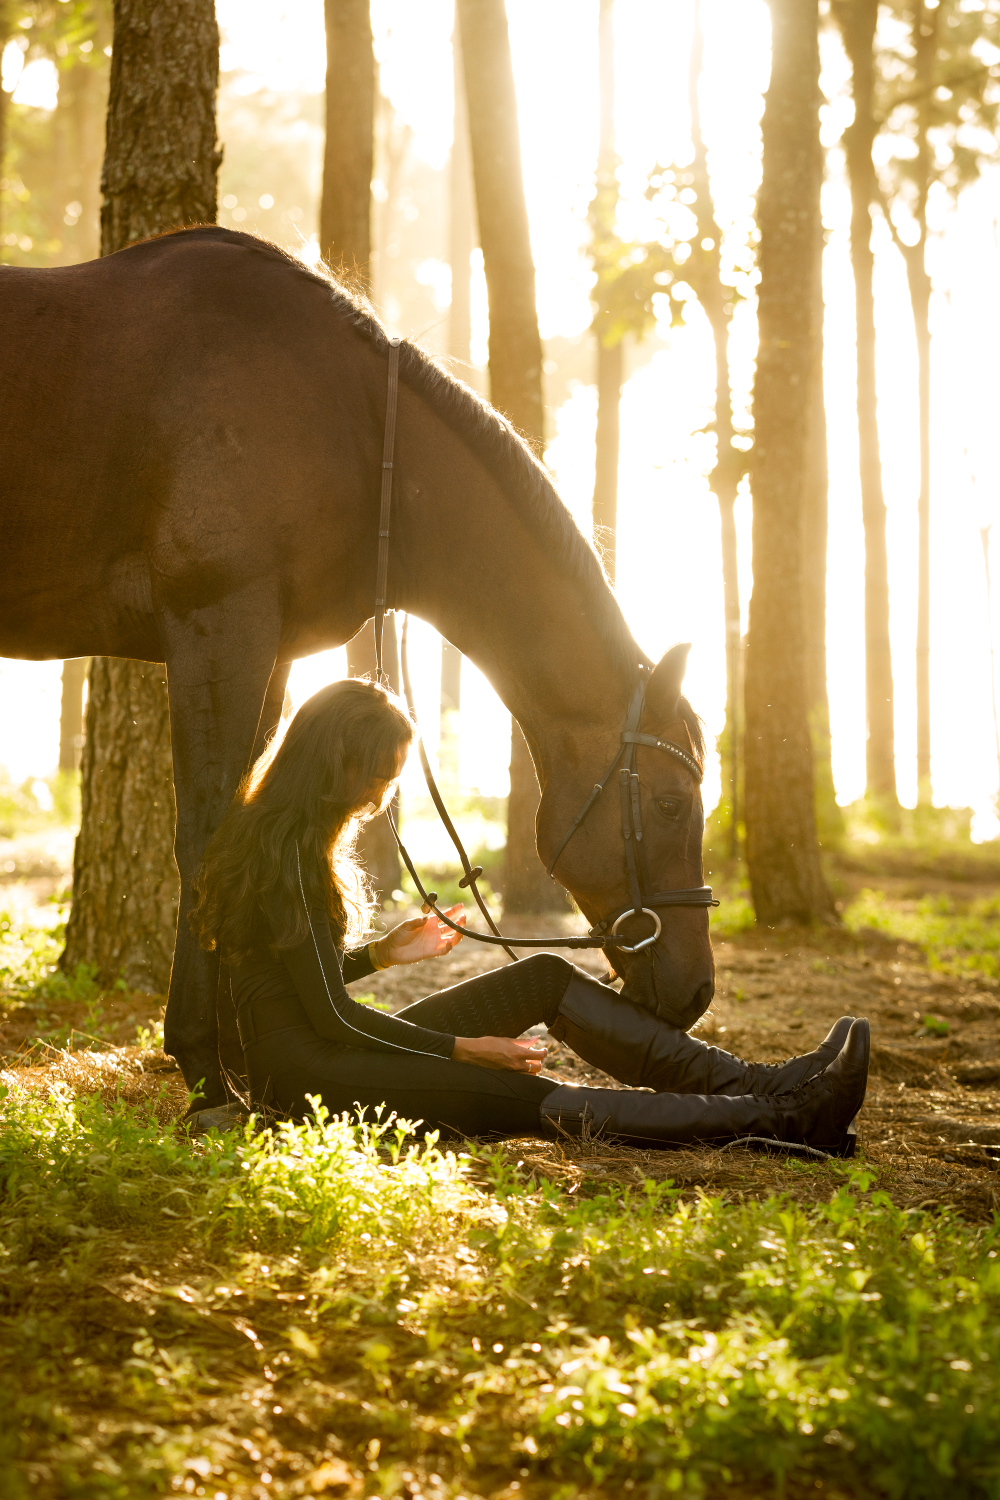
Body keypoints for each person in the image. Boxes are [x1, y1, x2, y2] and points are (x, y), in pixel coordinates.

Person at [190, 679, 868, 1154]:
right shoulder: (283, 850)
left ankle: (759, 1084)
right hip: (310, 1085)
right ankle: (786, 1121)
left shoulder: (287, 835)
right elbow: (329, 1016)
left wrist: (382, 955)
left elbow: (297, 981)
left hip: (327, 1053)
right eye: (376, 776)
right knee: (524, 1097)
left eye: (390, 778)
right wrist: (465, 1049)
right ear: (334, 761)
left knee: (539, 977)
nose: (380, 794)